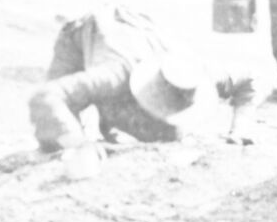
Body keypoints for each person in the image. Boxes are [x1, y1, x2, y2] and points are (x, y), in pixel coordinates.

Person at [28, 9, 198, 155]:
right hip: (82, 34)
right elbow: (46, 97)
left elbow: (224, 81)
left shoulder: (184, 70)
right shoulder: (115, 74)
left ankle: (109, 125)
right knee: (57, 142)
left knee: (169, 137)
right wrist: (78, 144)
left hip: (138, 30)